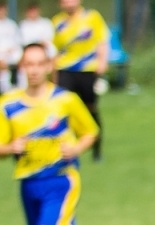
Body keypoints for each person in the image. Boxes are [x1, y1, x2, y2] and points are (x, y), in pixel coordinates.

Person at [0, 41, 107, 225]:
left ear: (49, 66)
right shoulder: (8, 104)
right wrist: (11, 148)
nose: (34, 70)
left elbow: (90, 132)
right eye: (28, 64)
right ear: (21, 68)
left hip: (60, 180)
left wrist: (76, 149)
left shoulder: (65, 100)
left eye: (39, 64)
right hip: (28, 185)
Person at [50, 0, 106, 161]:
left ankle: (97, 148)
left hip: (87, 70)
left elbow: (102, 41)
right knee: (62, 110)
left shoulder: (92, 17)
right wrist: (54, 76)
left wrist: (102, 61)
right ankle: (64, 149)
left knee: (91, 109)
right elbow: (55, 51)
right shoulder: (57, 22)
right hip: (65, 70)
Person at [0, 9, 20, 93]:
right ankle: (6, 90)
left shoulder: (11, 24)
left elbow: (17, 41)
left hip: (12, 51)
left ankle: (19, 88)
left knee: (21, 59)